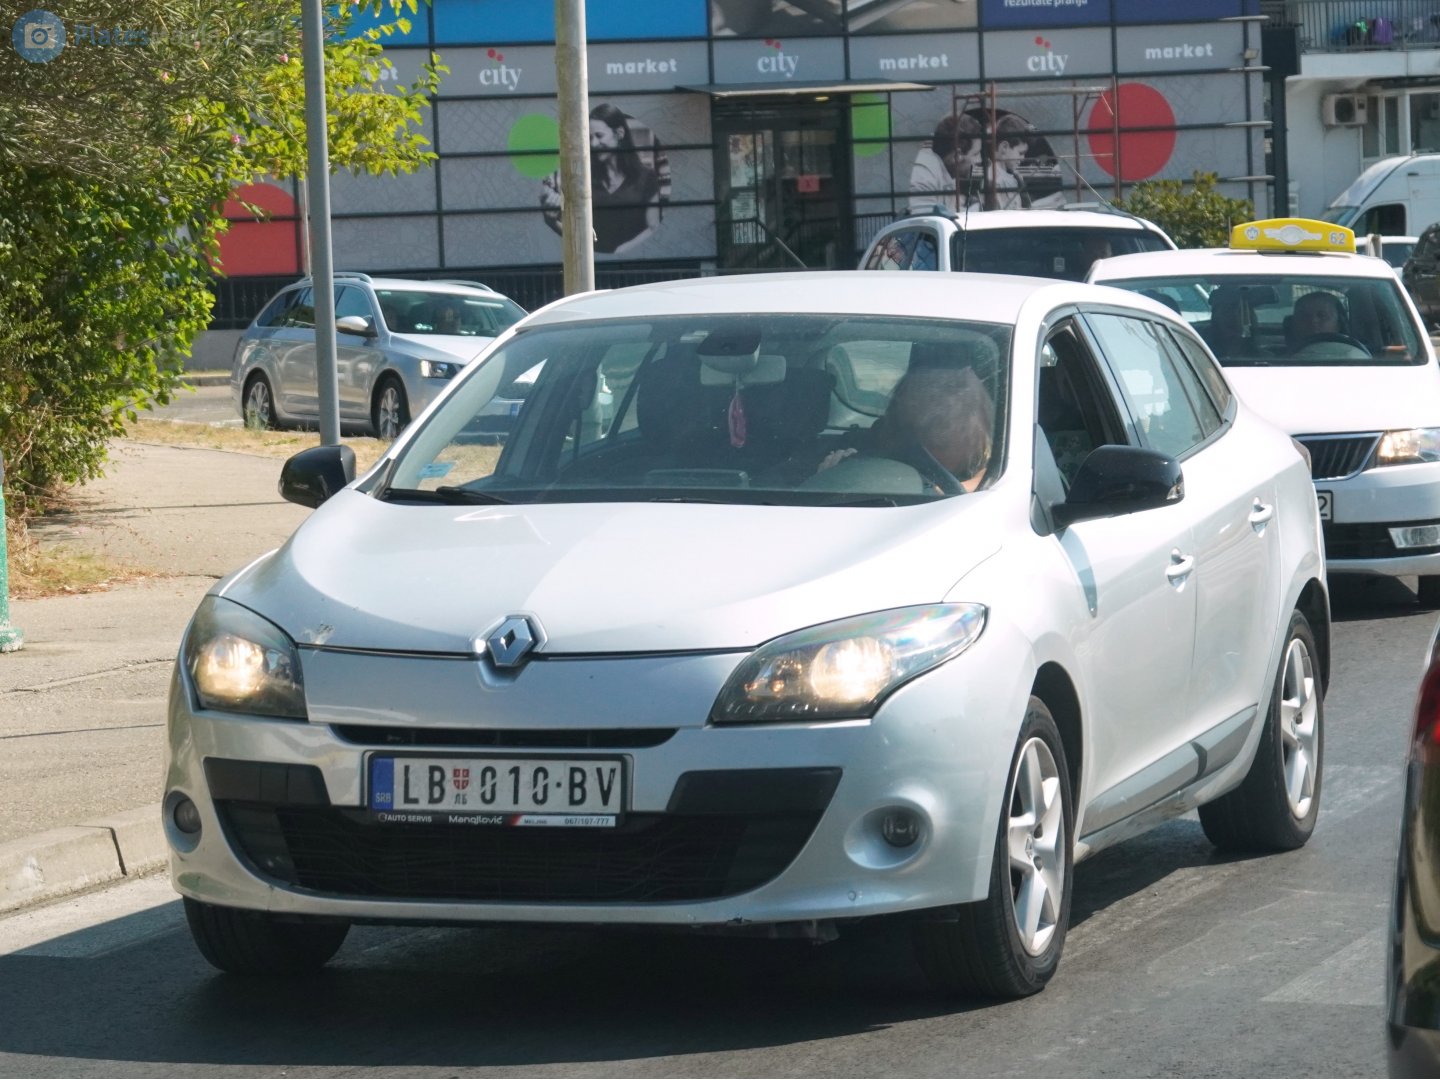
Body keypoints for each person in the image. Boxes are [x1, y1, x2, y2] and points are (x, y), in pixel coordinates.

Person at [818, 356, 995, 494]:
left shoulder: (1000, 470)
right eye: (931, 424)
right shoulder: (864, 453)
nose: (940, 434)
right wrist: (832, 477)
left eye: (945, 424)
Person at [541, 103, 662, 255]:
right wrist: (551, 221)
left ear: (619, 133)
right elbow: (577, 236)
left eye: (599, 136)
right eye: (590, 138)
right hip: (592, 266)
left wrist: (620, 250)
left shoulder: (646, 178)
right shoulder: (580, 179)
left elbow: (653, 226)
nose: (593, 144)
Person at [907, 113, 982, 214]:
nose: (979, 160)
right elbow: (927, 220)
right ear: (957, 155)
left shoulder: (948, 170)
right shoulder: (926, 174)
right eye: (976, 154)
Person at [986, 114, 1033, 211]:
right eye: (1020, 153)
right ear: (1004, 148)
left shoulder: (1013, 176)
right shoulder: (993, 180)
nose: (1023, 158)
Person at [1202, 285, 1254, 358]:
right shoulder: (1200, 346)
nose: (1233, 315)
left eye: (1239, 310)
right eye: (1227, 310)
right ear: (1215, 314)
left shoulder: (1262, 358)